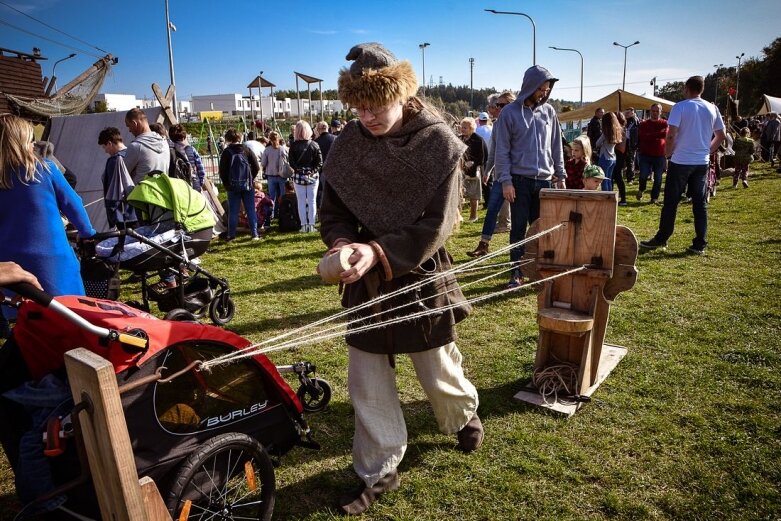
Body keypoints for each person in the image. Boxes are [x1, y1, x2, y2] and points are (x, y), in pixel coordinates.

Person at [319, 42, 481, 516]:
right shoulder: (348, 144)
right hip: (362, 278)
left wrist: (378, 250)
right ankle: (379, 468)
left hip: (419, 272)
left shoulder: (439, 143)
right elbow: (332, 213)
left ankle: (463, 414)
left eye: (377, 105)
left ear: (402, 94)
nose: (367, 116)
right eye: (359, 106)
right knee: (367, 379)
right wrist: (344, 244)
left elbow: (437, 224)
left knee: (437, 369)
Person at [0, 114, 96, 297]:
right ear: (20, 143)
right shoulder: (46, 169)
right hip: (54, 263)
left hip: (8, 266)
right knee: (68, 312)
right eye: (30, 141)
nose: (33, 145)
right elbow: (73, 204)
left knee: (19, 316)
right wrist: (87, 233)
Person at [494, 65, 567, 288]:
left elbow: (556, 145)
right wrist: (506, 181)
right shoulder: (509, 113)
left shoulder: (549, 112)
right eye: (541, 89)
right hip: (519, 182)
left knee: (542, 230)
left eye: (547, 89)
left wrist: (561, 174)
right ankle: (516, 272)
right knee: (518, 230)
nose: (544, 93)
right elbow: (502, 150)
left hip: (544, 182)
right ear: (530, 86)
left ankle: (538, 272)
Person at [640, 76, 726, 255]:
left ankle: (662, 237)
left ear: (687, 88)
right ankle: (700, 243)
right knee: (699, 204)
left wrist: (667, 154)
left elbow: (671, 134)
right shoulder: (712, 108)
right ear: (702, 89)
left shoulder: (680, 107)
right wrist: (708, 150)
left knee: (671, 202)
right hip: (701, 162)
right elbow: (721, 134)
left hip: (681, 161)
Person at [465, 90, 515, 257]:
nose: (497, 108)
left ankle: (521, 254)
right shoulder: (497, 124)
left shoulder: (519, 122)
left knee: (521, 215)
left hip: (518, 174)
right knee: (492, 209)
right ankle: (483, 245)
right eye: (497, 105)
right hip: (501, 175)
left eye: (501, 105)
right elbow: (494, 150)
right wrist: (488, 171)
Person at [219, 128, 261, 241]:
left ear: (227, 139)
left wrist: (226, 184)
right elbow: (256, 167)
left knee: (233, 211)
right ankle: (255, 234)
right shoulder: (246, 150)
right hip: (248, 185)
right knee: (250, 209)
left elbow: (222, 171)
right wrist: (250, 178)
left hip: (232, 186)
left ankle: (231, 235)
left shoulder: (226, 152)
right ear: (240, 137)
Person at [98, 127, 138, 229]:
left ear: (110, 143)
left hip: (123, 214)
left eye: (104, 147)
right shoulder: (133, 153)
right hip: (138, 210)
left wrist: (113, 215)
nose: (105, 151)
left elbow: (112, 191)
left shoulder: (114, 161)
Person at [289, 120, 323, 233]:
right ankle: (312, 225)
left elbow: (291, 162)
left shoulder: (293, 146)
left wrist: (299, 170)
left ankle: (303, 225)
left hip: (298, 176)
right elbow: (319, 162)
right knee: (312, 201)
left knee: (301, 201)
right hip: (312, 176)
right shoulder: (314, 144)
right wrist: (312, 171)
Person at [124, 108, 170, 183]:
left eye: (128, 126)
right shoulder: (164, 142)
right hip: (162, 192)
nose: (129, 130)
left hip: (142, 193)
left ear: (134, 123)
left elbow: (123, 175)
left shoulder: (136, 147)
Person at [637, 103, 668, 204]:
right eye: (653, 111)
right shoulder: (644, 124)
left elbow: (665, 134)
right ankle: (642, 188)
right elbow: (643, 136)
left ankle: (654, 197)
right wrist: (657, 134)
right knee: (643, 175)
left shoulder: (665, 123)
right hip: (645, 154)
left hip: (659, 154)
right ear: (650, 111)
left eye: (657, 111)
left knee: (658, 178)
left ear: (660, 112)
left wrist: (650, 135)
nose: (655, 113)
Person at [460, 117, 487, 222]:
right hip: (462, 170)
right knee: (460, 193)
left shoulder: (478, 140)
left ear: (471, 128)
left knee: (473, 195)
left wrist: (473, 163)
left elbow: (482, 157)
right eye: (462, 127)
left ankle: (473, 216)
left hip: (474, 171)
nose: (463, 129)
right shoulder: (460, 138)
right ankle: (459, 216)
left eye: (465, 128)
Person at [169, 124, 206, 191]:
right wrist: (200, 182)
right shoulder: (191, 149)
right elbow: (200, 167)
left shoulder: (171, 151)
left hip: (180, 186)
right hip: (194, 184)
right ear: (184, 136)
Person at [260, 131, 288, 222]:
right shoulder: (283, 149)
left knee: (272, 197)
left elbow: (263, 163)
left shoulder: (267, 150)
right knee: (283, 196)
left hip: (271, 175)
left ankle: (271, 214)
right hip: (282, 175)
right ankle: (283, 213)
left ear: (269, 139)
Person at [595, 111, 622, 193]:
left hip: (605, 157)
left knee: (604, 179)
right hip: (613, 158)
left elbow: (597, 143)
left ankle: (606, 196)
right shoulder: (617, 132)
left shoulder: (606, 133)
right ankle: (610, 195)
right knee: (609, 179)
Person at [315, 120, 337, 208]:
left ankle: (324, 209)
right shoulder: (336, 139)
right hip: (334, 170)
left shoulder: (316, 142)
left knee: (323, 192)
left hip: (322, 171)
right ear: (327, 128)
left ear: (319, 130)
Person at [612, 111, 628, 206]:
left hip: (618, 154)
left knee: (617, 177)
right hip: (619, 155)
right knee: (617, 177)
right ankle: (622, 197)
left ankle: (623, 198)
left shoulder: (620, 129)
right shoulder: (622, 129)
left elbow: (621, 146)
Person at [623, 107, 640, 183]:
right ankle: (626, 176)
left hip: (632, 144)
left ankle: (631, 178)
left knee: (630, 161)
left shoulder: (635, 121)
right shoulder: (626, 121)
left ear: (632, 113)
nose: (626, 114)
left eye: (628, 113)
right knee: (625, 161)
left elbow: (637, 134)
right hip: (625, 143)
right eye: (625, 113)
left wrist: (636, 144)